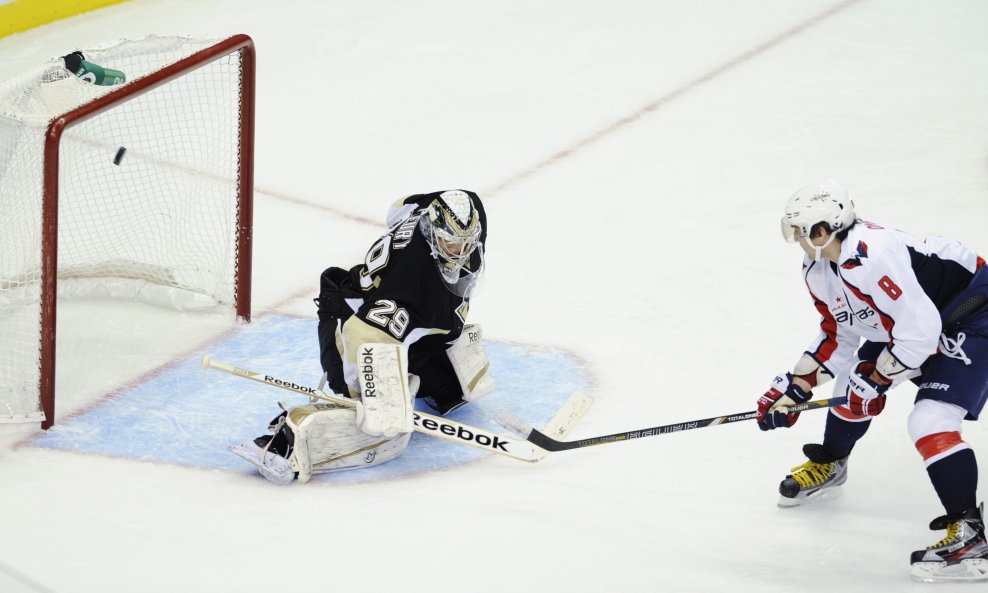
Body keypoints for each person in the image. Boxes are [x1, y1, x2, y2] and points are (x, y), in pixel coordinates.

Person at [756, 181, 988, 582]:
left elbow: (920, 329)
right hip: (919, 323)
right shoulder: (818, 267)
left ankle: (971, 537)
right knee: (850, 388)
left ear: (823, 231)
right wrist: (797, 386)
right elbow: (838, 333)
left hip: (973, 311)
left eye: (800, 230)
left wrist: (879, 378)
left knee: (930, 420)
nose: (795, 238)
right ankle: (831, 464)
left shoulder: (873, 255)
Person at [230, 189, 493, 484]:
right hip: (353, 313)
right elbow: (362, 334)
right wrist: (367, 396)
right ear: (432, 232)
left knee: (450, 393)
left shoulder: (468, 212)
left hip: (418, 323)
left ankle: (425, 366)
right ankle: (284, 445)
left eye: (466, 243)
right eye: (451, 243)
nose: (460, 252)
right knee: (360, 399)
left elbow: (399, 207)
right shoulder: (407, 282)